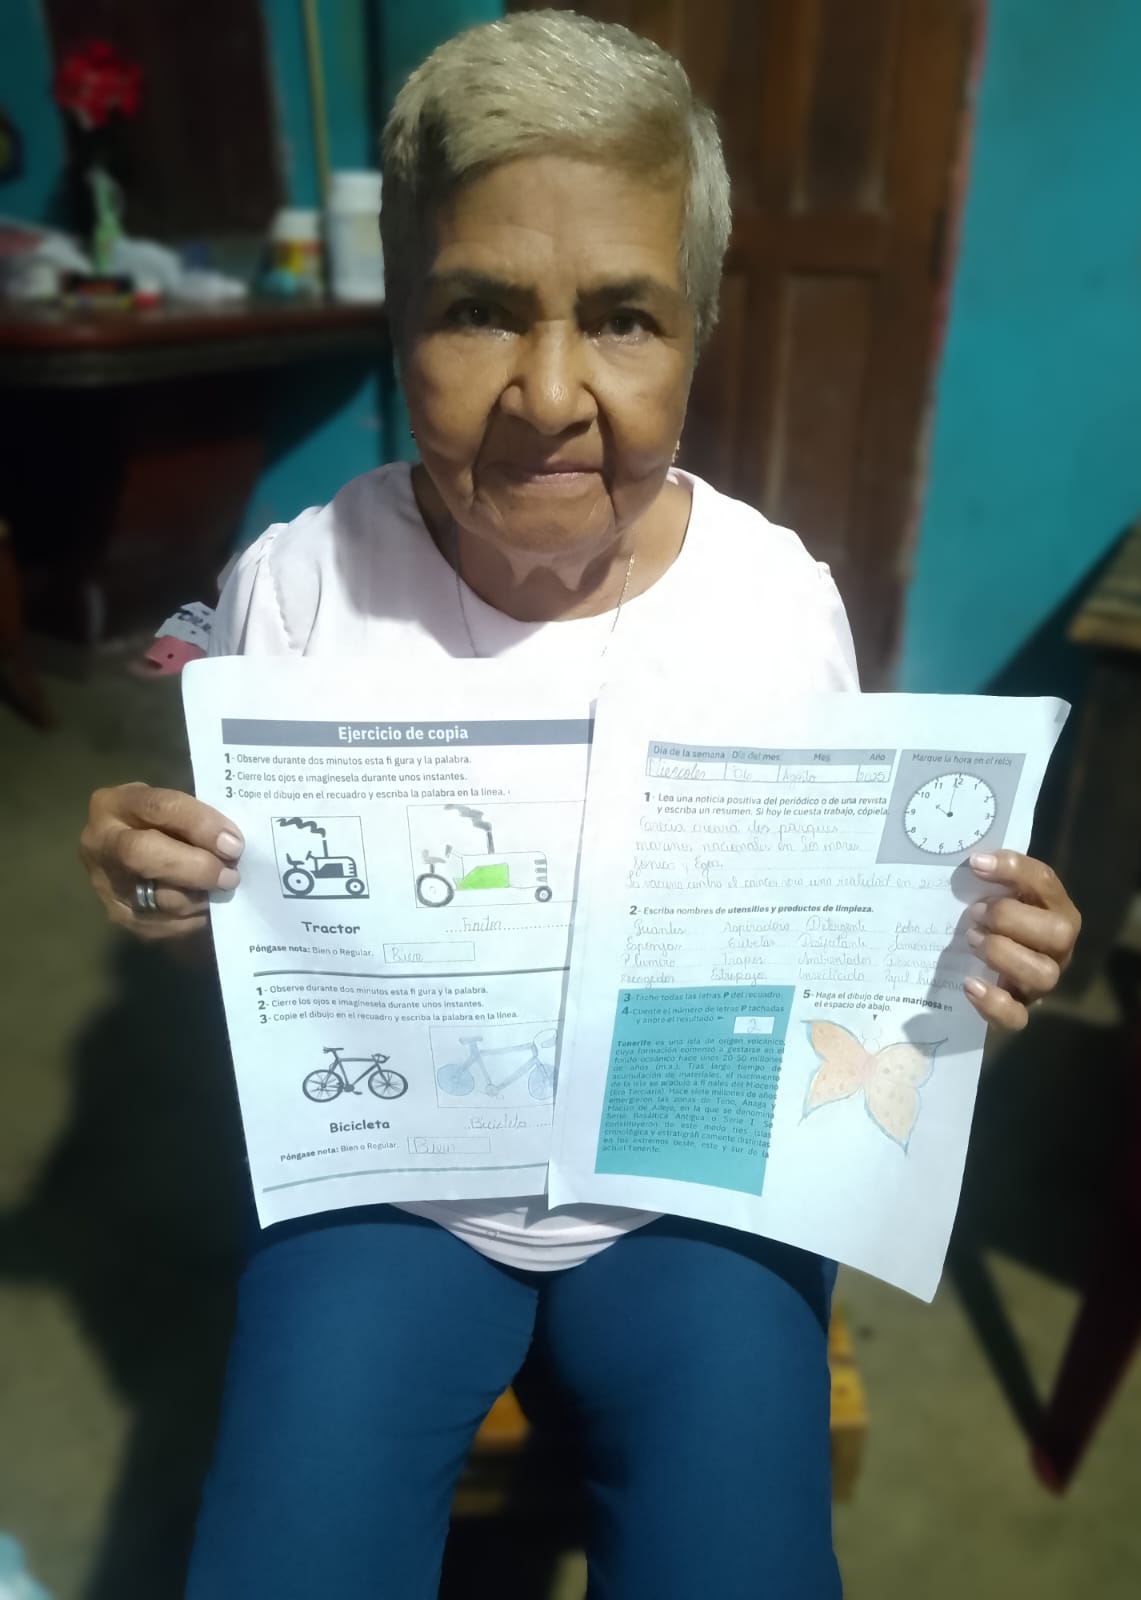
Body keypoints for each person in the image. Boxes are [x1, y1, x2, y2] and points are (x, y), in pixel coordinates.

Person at [78, 13, 1081, 1596]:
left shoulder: (775, 609)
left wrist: (964, 962)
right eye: (480, 310)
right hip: (394, 1193)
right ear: (398, 315)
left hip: (689, 1199)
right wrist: (173, 884)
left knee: (737, 1560)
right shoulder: (296, 590)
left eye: (622, 318)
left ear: (697, 336)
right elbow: (270, 937)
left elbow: (834, 951)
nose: (549, 394)